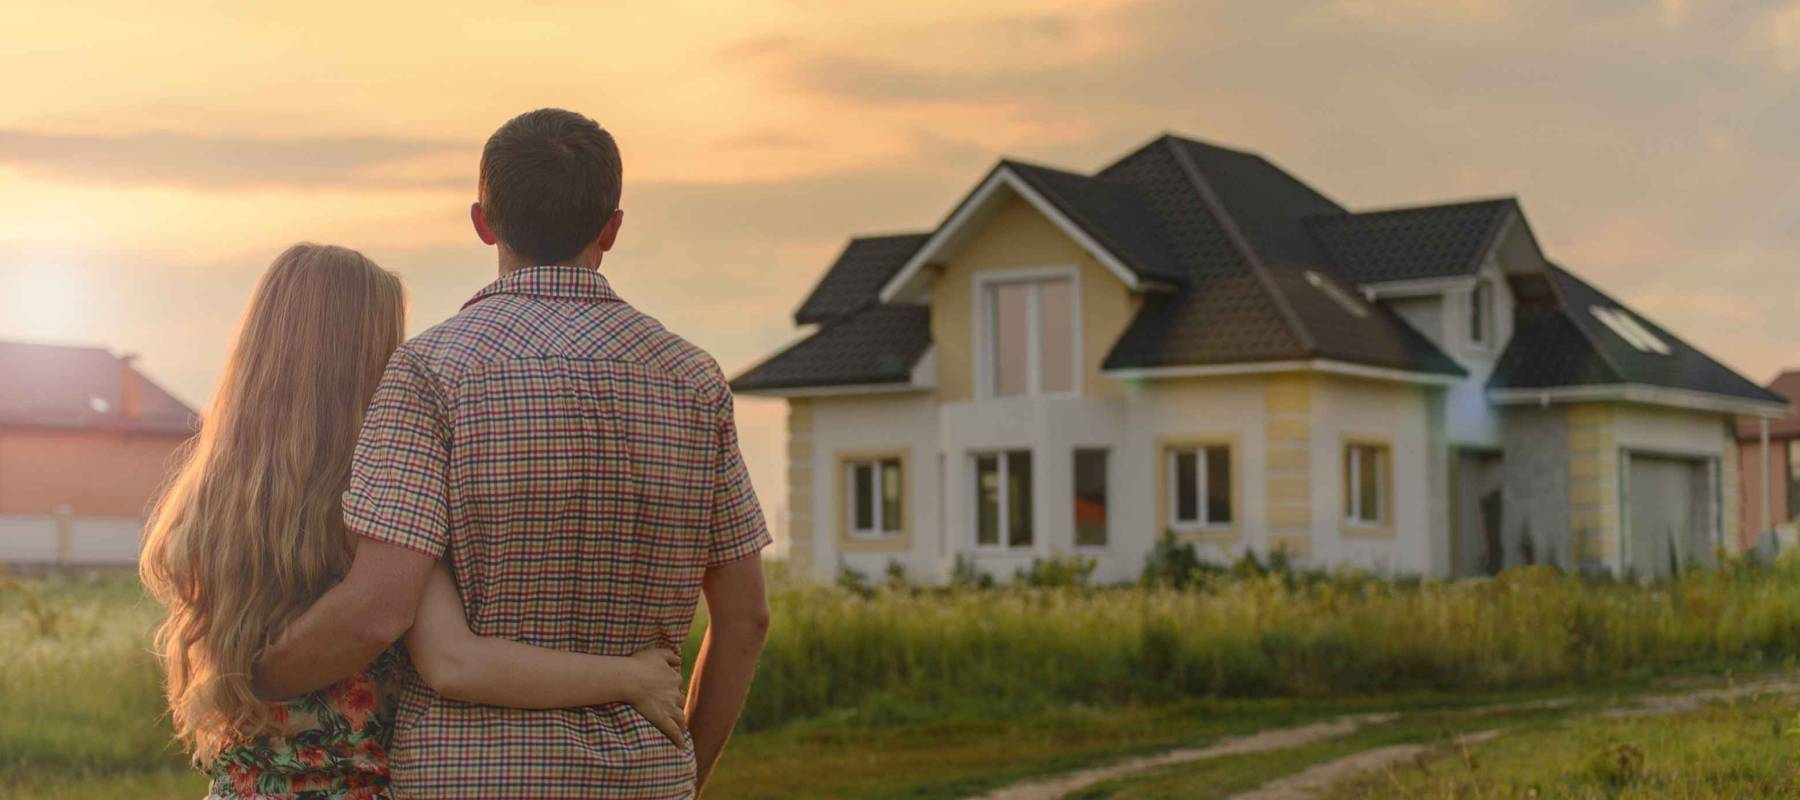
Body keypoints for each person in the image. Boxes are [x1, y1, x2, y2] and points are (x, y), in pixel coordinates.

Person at [252, 108, 772, 799]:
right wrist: (683, 768)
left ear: (482, 221)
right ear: (611, 228)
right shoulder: (694, 380)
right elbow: (746, 619)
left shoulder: (430, 371)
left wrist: (242, 676)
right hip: (647, 775)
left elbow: (378, 608)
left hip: (466, 779)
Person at [141, 243, 690, 800]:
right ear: (367, 356)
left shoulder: (208, 502)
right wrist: (631, 676)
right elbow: (455, 661)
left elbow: (243, 671)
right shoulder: (379, 498)